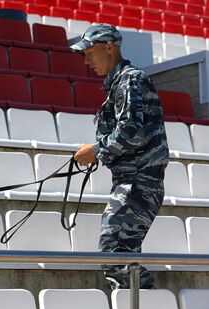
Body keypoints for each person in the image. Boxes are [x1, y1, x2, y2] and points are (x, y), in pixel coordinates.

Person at [70, 24, 169, 289]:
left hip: (138, 182)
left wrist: (96, 150)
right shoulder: (120, 82)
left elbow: (131, 131)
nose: (86, 59)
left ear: (109, 47)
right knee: (119, 255)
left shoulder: (129, 80)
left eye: (89, 52)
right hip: (132, 181)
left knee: (114, 253)